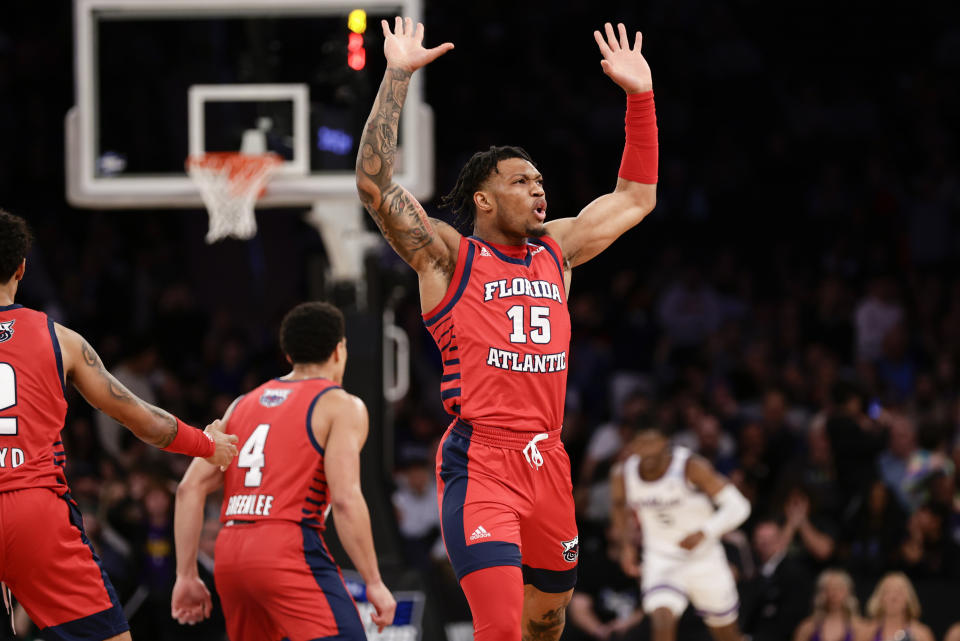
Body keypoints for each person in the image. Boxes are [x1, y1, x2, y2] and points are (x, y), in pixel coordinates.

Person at [356, 17, 658, 641]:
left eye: (541, 181)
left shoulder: (557, 251)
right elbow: (374, 184)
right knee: (499, 628)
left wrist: (640, 100)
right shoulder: (448, 256)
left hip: (548, 459)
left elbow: (635, 198)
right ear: (485, 201)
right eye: (522, 182)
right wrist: (395, 76)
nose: (539, 191)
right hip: (482, 461)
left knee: (546, 623)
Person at [0, 208, 238, 641]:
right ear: (21, 267)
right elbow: (143, 421)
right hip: (32, 509)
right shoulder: (59, 339)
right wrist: (207, 445)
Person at [170, 301, 396, 641]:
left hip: (231, 551)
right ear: (339, 350)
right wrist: (374, 581)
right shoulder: (341, 405)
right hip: (287, 546)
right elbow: (347, 499)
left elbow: (189, 488)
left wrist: (186, 575)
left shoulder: (241, 404)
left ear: (288, 355)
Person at [612, 422, 751, 641]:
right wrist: (626, 546)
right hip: (661, 559)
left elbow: (739, 507)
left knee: (726, 635)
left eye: (652, 442)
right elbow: (619, 507)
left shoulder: (690, 467)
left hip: (704, 559)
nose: (647, 449)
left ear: (664, 442)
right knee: (661, 619)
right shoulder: (623, 474)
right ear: (632, 446)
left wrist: (705, 532)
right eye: (641, 443)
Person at [793, 569, 868, 641]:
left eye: (839, 589)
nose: (833, 594)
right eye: (828, 589)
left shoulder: (858, 627)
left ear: (848, 593)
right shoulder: (808, 627)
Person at [856, 572, 933, 641]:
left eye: (899, 592)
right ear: (880, 598)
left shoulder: (921, 634)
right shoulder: (867, 632)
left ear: (908, 599)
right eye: (888, 592)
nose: (893, 597)